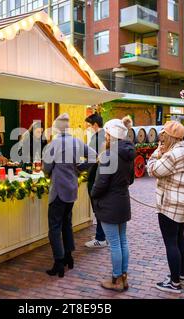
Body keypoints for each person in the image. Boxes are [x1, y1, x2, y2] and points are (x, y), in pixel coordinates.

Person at [147, 121, 184, 294]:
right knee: (179, 239)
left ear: (169, 137)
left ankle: (174, 283)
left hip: (170, 203)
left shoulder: (173, 154)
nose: (161, 138)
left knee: (171, 243)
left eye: (163, 136)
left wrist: (157, 152)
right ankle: (183, 277)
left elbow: (153, 170)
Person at [42, 113, 97, 278]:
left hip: (58, 190)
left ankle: (58, 262)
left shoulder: (54, 144)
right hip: (72, 189)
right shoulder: (76, 141)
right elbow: (94, 156)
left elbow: (46, 168)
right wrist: (80, 168)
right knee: (67, 223)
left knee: (54, 227)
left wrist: (49, 172)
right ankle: (68, 257)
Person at [91, 119, 135, 292]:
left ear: (111, 135)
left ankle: (116, 280)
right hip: (123, 201)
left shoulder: (109, 155)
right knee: (122, 241)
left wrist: (93, 194)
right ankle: (123, 277)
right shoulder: (128, 152)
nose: (105, 137)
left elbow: (101, 183)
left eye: (107, 134)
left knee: (115, 243)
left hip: (109, 203)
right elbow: (131, 179)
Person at [84, 113, 108, 248]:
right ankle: (102, 234)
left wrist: (81, 167)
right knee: (101, 207)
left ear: (95, 125)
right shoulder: (106, 135)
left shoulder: (96, 137)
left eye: (89, 125)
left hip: (95, 176)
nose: (88, 128)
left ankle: (100, 237)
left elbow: (91, 158)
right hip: (103, 175)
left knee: (97, 207)